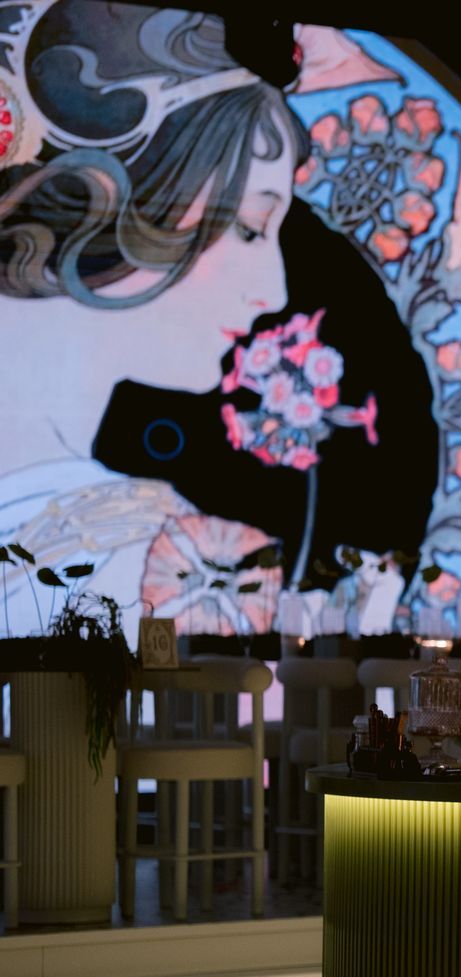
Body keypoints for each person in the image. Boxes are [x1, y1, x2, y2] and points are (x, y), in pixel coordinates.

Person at [0, 2, 299, 635]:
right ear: (104, 200)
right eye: (249, 227)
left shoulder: (142, 536)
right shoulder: (141, 556)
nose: (274, 293)